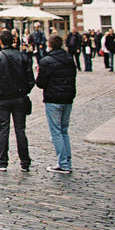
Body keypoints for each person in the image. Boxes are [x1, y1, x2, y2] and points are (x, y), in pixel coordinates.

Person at [0, 29, 35, 172]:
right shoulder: (23, 57)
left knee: (4, 129)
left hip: (2, 99)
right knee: (20, 130)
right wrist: (24, 91)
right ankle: (25, 162)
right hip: (19, 97)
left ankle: (2, 161)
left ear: (0, 42)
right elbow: (30, 80)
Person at [36, 35, 76, 174]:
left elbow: (40, 83)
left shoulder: (47, 61)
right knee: (64, 131)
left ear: (50, 45)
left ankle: (63, 163)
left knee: (56, 132)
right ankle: (67, 161)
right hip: (67, 98)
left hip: (53, 98)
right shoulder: (69, 59)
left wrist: (39, 73)